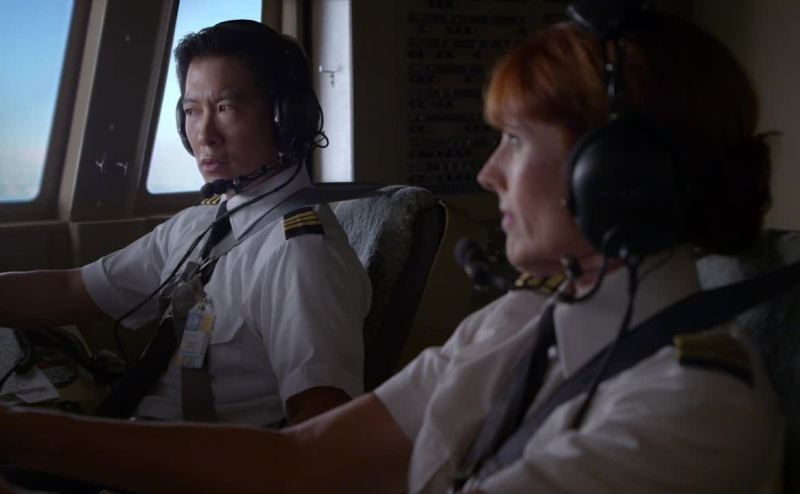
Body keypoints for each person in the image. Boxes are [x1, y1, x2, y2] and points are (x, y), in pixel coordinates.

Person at [0, 6, 783, 493]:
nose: (488, 174)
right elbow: (309, 461)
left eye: (514, 140)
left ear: (619, 179)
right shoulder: (517, 323)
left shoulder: (689, 410)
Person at [0, 20, 370, 427]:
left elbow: (319, 429)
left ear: (287, 117)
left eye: (226, 108)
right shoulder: (199, 224)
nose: (204, 135)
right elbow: (73, 289)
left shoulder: (301, 254)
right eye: (192, 111)